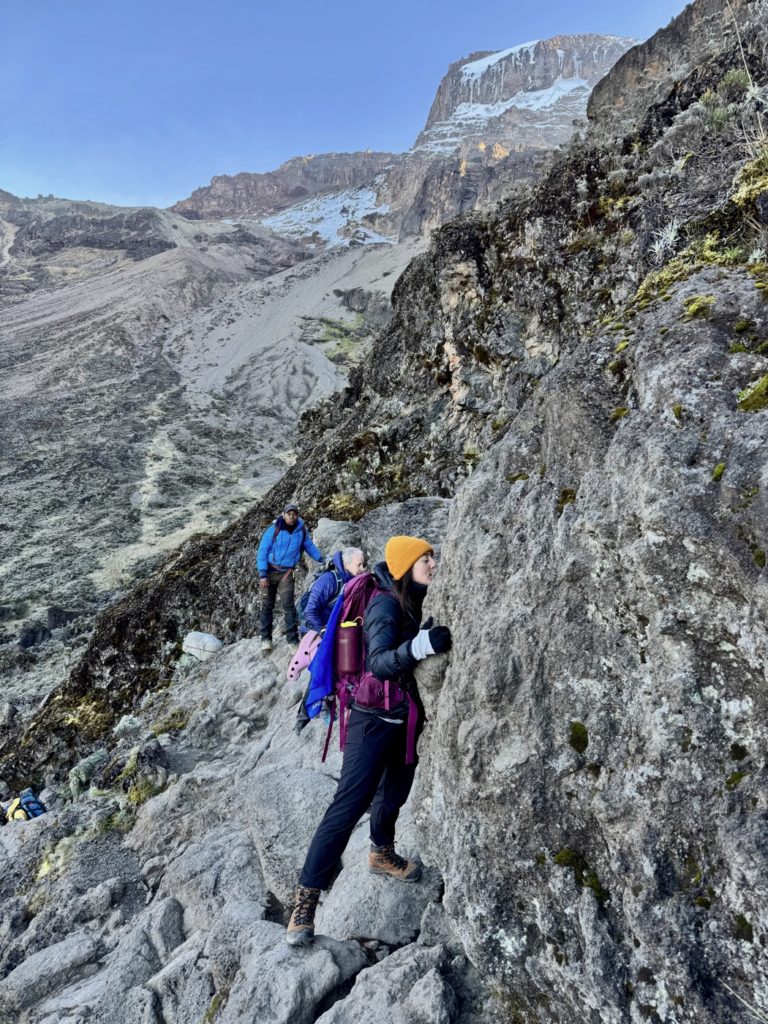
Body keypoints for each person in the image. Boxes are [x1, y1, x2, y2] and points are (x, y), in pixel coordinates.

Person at [286, 535, 452, 946]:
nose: (433, 563)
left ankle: (381, 851)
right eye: (425, 558)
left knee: (394, 791)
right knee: (349, 803)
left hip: (402, 717)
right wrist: (420, 645)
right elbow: (378, 662)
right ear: (405, 567)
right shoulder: (383, 602)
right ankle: (305, 900)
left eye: (432, 556)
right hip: (372, 719)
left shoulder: (413, 599)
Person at [257, 503, 323, 651]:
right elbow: (262, 551)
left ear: (297, 516)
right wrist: (262, 574)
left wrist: (321, 559)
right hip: (268, 572)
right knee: (267, 606)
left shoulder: (301, 531)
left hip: (286, 573)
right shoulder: (273, 530)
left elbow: (309, 546)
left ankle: (293, 641)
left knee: (289, 606)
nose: (292, 516)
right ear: (283, 514)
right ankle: (266, 639)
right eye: (289, 514)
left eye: (294, 514)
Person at [303, 547, 366, 634]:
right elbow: (310, 611)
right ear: (347, 565)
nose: (362, 569)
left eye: (363, 565)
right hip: (316, 631)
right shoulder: (329, 580)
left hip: (335, 631)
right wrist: (323, 633)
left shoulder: (354, 581)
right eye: (359, 565)